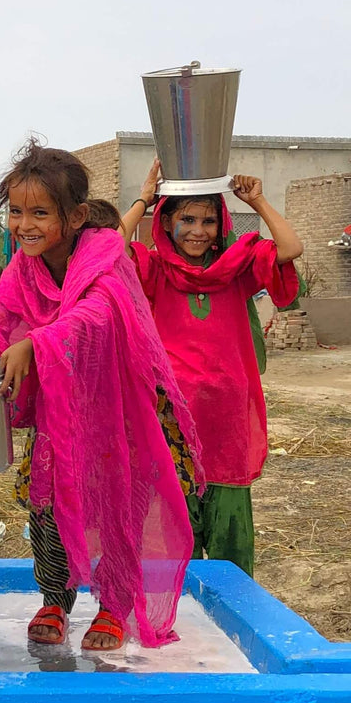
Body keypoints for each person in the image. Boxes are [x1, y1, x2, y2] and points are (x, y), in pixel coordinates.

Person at [0, 141, 203, 651]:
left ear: (74, 216)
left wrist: (37, 342)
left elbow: (94, 317)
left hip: (120, 405)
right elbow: (0, 314)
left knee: (117, 499)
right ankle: (55, 596)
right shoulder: (22, 268)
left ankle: (116, 605)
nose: (23, 224)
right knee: (48, 502)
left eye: (39, 212)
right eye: (15, 211)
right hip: (62, 408)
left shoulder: (105, 255)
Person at [122, 161, 303, 576]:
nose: (198, 231)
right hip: (171, 421)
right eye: (186, 219)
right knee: (171, 541)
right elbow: (110, 250)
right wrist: (144, 197)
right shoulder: (153, 270)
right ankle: (174, 622)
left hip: (228, 423)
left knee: (230, 542)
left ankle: (229, 623)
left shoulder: (238, 268)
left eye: (208, 220)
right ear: (165, 222)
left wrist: (256, 201)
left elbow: (290, 249)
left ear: (221, 225)